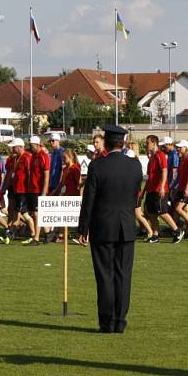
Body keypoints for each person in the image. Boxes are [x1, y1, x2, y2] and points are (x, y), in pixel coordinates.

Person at [78, 125, 142, 333]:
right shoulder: (134, 166)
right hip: (126, 226)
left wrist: (82, 228)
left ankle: (106, 321)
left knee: (105, 275)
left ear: (105, 143)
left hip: (103, 226)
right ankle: (120, 320)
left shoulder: (97, 166)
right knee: (123, 276)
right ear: (122, 143)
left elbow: (89, 201)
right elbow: (134, 196)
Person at [140, 135, 182, 243]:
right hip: (151, 189)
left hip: (159, 189)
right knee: (151, 213)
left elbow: (164, 171)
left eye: (148, 143)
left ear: (154, 143)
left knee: (162, 212)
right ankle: (156, 235)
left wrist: (162, 186)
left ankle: (177, 230)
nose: (146, 145)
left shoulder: (160, 155)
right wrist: (144, 191)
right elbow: (150, 177)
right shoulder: (152, 158)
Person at [22, 136, 50, 246]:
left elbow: (46, 175)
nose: (30, 147)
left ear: (37, 145)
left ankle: (37, 238)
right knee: (35, 213)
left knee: (37, 214)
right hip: (32, 189)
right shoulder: (33, 156)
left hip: (39, 190)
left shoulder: (44, 156)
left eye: (31, 145)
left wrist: (43, 192)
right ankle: (48, 232)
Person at [3, 138, 31, 243]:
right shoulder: (16, 158)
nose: (12, 148)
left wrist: (28, 189)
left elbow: (29, 174)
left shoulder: (27, 157)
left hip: (23, 190)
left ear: (19, 147)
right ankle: (13, 233)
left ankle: (33, 234)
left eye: (14, 146)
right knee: (19, 213)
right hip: (16, 190)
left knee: (21, 214)